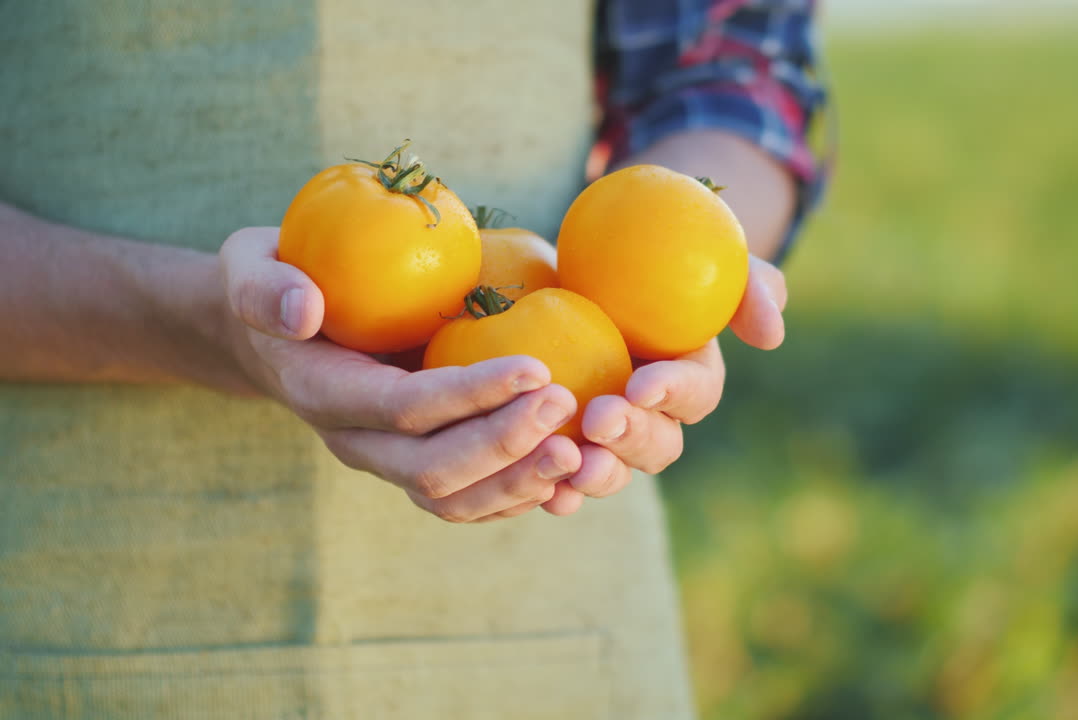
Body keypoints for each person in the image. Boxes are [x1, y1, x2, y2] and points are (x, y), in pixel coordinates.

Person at [0, 1, 825, 717]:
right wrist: (200, 323)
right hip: (66, 595)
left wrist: (686, 274)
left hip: (555, 603)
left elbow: (730, 71)